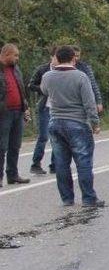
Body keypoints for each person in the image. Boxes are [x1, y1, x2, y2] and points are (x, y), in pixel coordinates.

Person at [42, 45, 103, 207]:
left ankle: (67, 199)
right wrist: (95, 123)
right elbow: (89, 104)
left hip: (55, 122)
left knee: (61, 163)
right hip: (77, 123)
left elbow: (44, 91)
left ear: (57, 58)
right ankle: (89, 198)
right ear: (73, 58)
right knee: (83, 162)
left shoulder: (48, 76)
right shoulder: (81, 77)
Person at [0, 43, 31, 187]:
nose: (17, 58)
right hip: (4, 113)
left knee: (15, 145)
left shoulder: (16, 69)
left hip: (18, 111)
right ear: (6, 54)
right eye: (15, 55)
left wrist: (25, 107)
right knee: (2, 146)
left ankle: (12, 175)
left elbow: (21, 88)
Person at [29, 47, 58, 175]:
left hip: (58, 108)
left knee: (57, 137)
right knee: (44, 136)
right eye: (56, 57)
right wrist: (43, 89)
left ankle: (55, 164)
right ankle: (36, 164)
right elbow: (31, 85)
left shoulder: (64, 70)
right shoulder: (42, 69)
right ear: (51, 57)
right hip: (45, 107)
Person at [72, 46, 103, 114]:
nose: (76, 58)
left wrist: (99, 102)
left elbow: (93, 84)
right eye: (74, 56)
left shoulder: (85, 67)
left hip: (84, 101)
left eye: (78, 56)